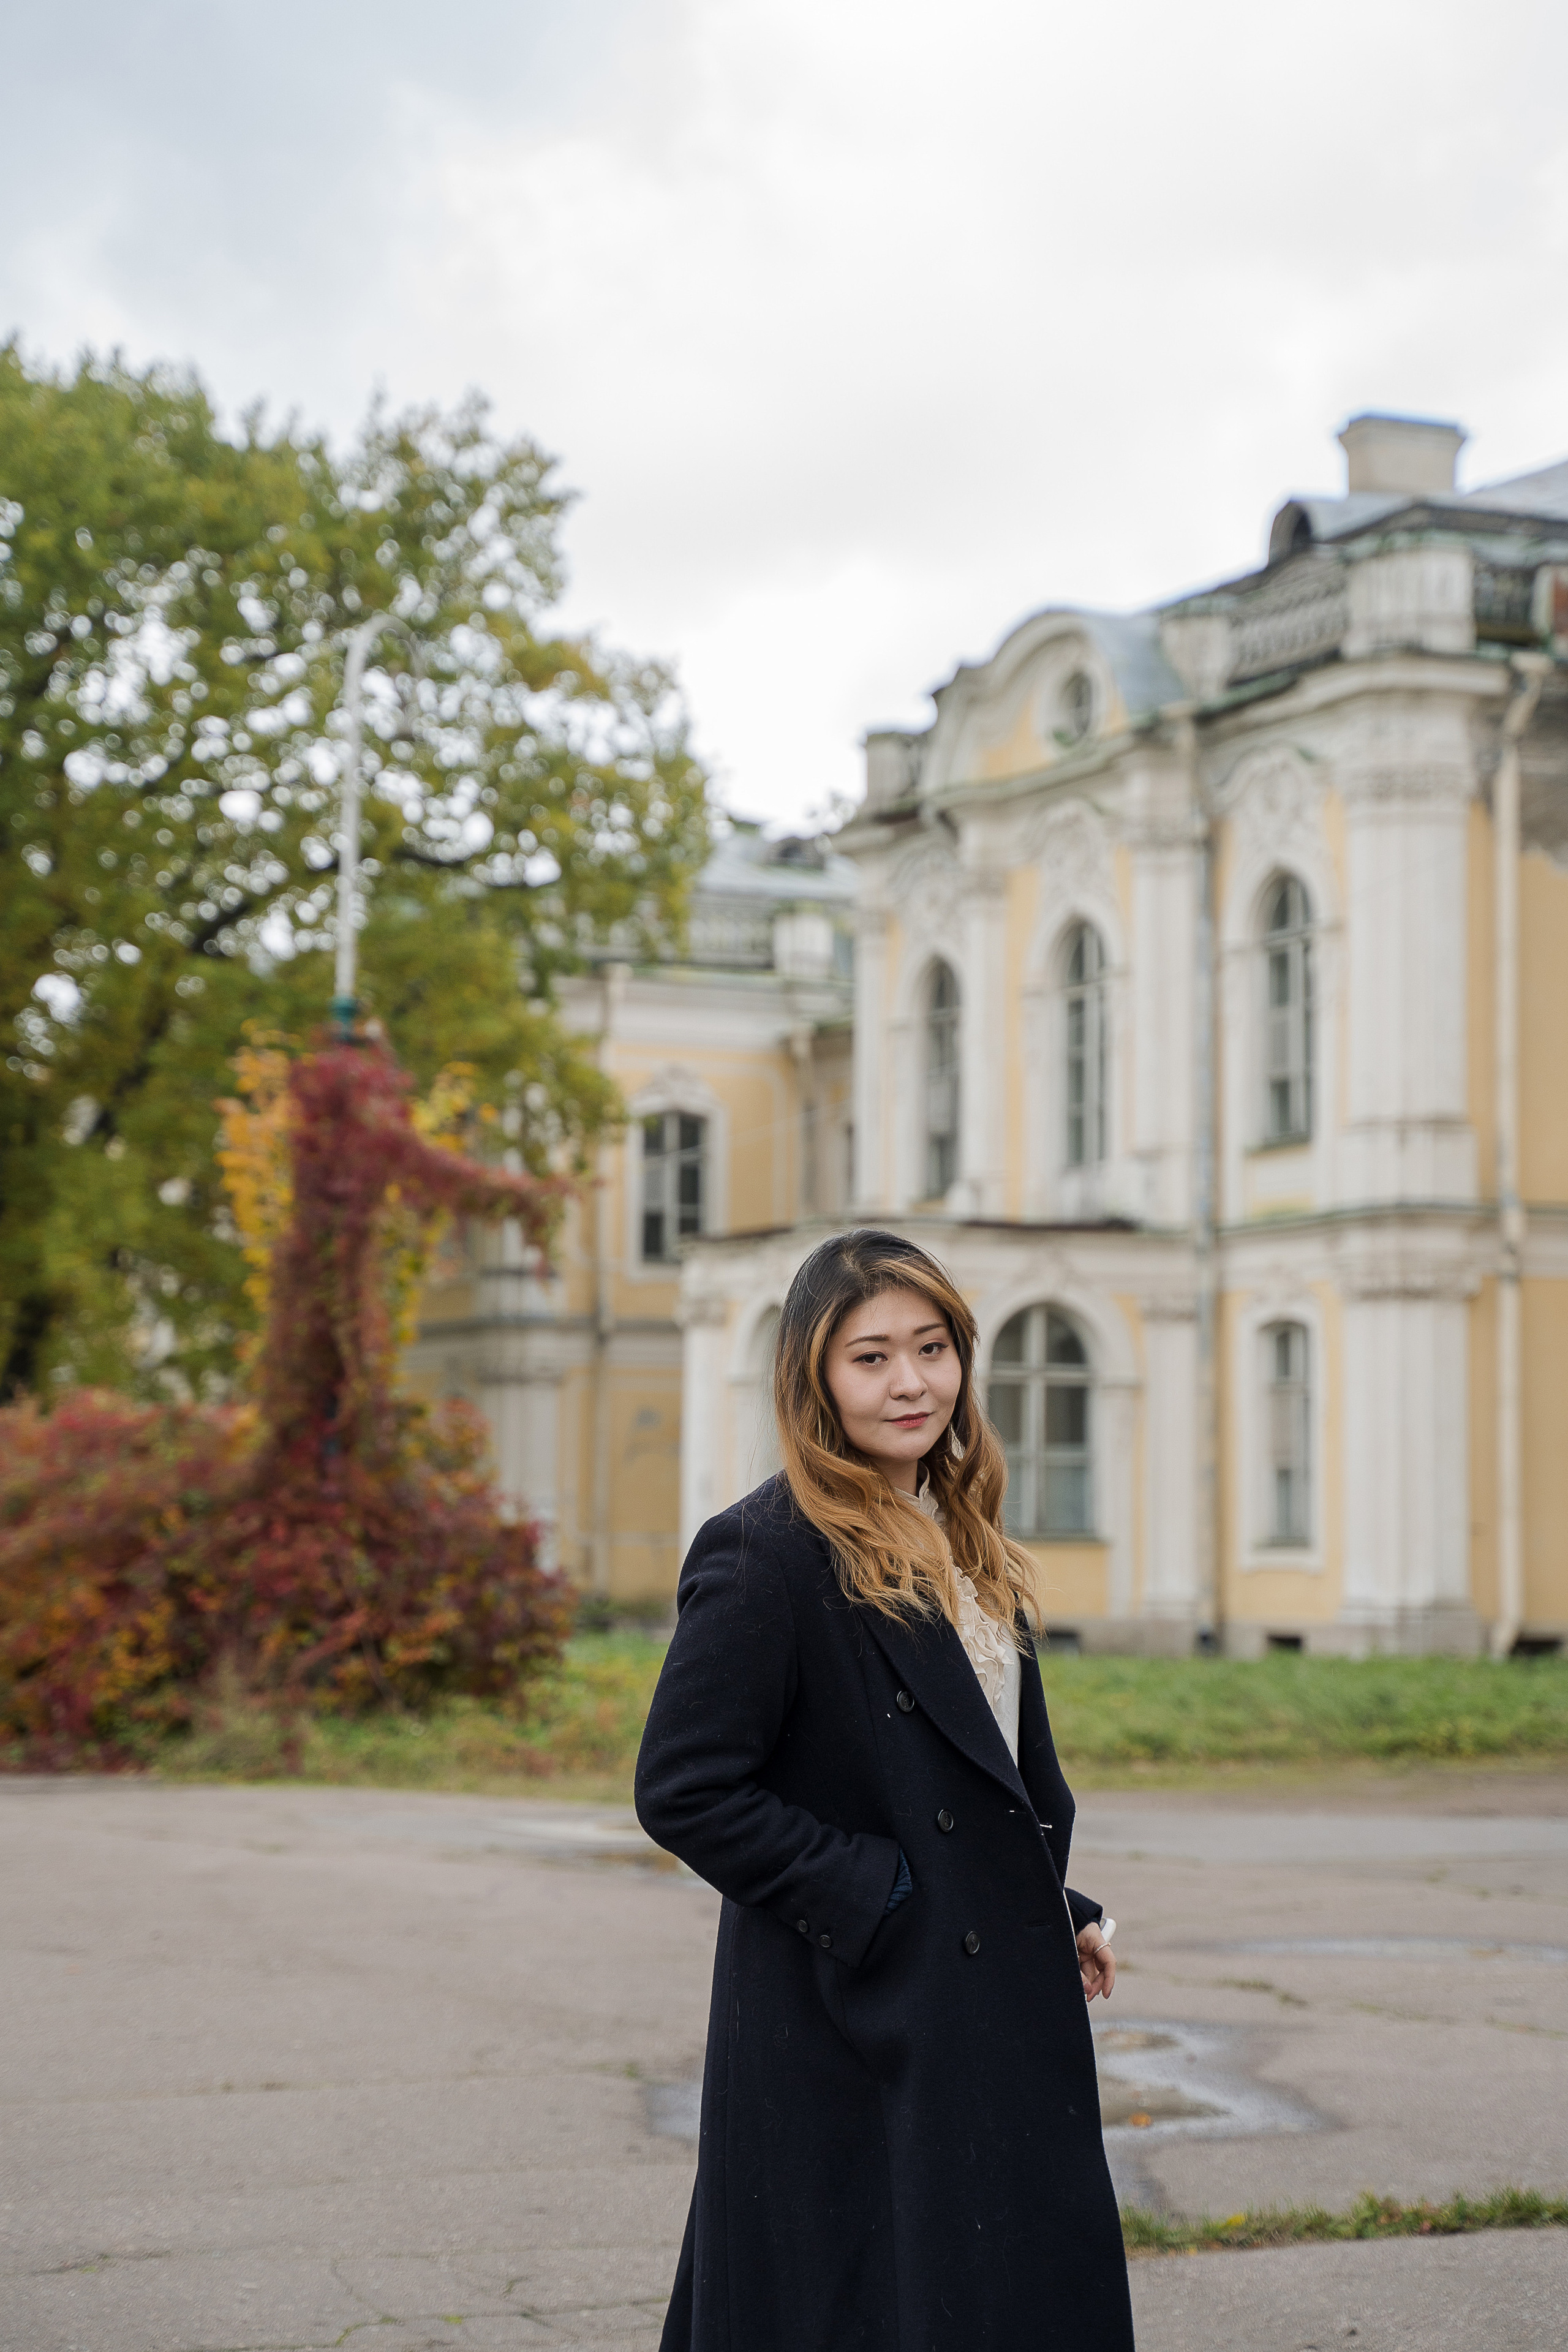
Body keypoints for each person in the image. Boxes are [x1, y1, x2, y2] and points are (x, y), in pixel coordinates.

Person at [635, 1227, 1135, 2351]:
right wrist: (889, 1904)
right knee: (872, 2303)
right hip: (854, 2017)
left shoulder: (962, 1533)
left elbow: (956, 1779)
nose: (910, 1382)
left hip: (985, 2007)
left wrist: (1044, 1911)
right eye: (870, 1357)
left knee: (999, 2295)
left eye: (931, 1347)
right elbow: (683, 1787)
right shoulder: (765, 1550)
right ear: (813, 1375)